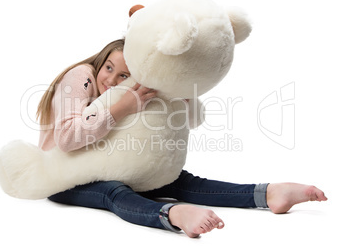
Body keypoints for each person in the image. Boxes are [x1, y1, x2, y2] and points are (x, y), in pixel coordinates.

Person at [36, 38, 327, 238]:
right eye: (109, 67)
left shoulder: (134, 90)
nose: (111, 80)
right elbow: (65, 138)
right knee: (113, 191)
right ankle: (172, 215)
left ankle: (268, 193)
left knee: (179, 180)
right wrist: (122, 107)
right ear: (100, 61)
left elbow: (192, 121)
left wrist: (179, 94)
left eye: (124, 75)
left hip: (112, 165)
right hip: (62, 178)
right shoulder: (82, 76)